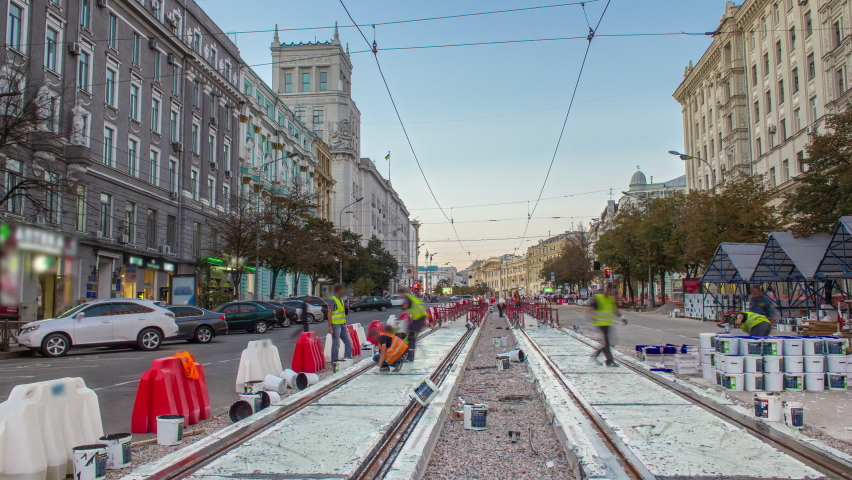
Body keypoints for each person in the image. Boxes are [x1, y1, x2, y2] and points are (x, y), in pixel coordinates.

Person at [588, 286, 622, 367]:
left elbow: (615, 310)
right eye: (609, 291)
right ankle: (609, 361)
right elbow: (591, 309)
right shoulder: (598, 298)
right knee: (606, 343)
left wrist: (622, 317)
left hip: (608, 323)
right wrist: (591, 318)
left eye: (612, 292)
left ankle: (595, 356)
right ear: (605, 290)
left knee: (606, 343)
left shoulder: (611, 299)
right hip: (600, 323)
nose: (610, 293)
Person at [399, 286, 428, 362]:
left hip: (418, 318)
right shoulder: (411, 296)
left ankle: (410, 357)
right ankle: (409, 354)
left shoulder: (407, 297)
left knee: (411, 337)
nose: (399, 296)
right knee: (410, 335)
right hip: (419, 317)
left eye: (400, 294)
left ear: (402, 293)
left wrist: (401, 307)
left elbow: (405, 306)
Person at [328, 284, 353, 363]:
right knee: (336, 344)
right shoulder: (333, 299)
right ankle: (335, 362)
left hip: (342, 324)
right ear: (338, 290)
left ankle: (347, 360)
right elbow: (329, 313)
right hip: (336, 325)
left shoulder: (341, 299)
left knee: (349, 343)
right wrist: (330, 326)